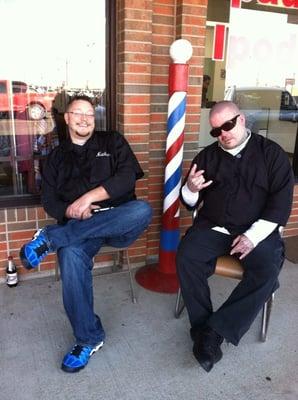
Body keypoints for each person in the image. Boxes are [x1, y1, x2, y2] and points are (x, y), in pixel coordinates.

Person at [20, 95, 152, 373]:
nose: (84, 119)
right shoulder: (56, 157)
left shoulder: (112, 141)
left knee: (141, 210)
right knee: (69, 255)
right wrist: (73, 211)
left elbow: (127, 177)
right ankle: (88, 338)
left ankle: (50, 239)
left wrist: (87, 198)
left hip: (119, 222)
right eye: (77, 113)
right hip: (80, 231)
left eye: (89, 114)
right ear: (66, 118)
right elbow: (50, 201)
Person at [176, 100, 294, 373]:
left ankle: (216, 332)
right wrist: (191, 189)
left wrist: (252, 236)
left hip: (258, 232)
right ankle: (204, 328)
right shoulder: (207, 156)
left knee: (267, 270)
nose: (223, 134)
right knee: (187, 256)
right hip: (215, 228)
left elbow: (281, 203)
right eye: (216, 131)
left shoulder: (271, 154)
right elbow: (190, 201)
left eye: (227, 126)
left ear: (241, 120)